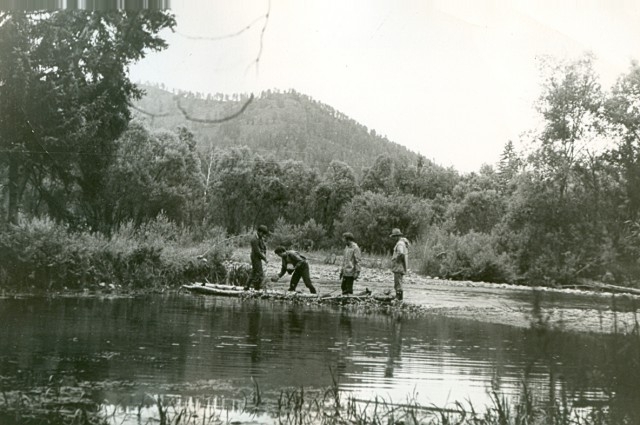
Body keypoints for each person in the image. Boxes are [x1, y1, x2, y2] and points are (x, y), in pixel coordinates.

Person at [245, 225, 269, 290]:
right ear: (259, 232)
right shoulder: (254, 239)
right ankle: (256, 288)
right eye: (262, 233)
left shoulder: (259, 238)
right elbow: (257, 251)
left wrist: (264, 253)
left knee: (254, 271)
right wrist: (265, 258)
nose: (263, 235)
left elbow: (263, 247)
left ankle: (247, 286)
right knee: (259, 272)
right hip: (255, 257)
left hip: (258, 257)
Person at [389, 228, 409, 301]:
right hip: (401, 267)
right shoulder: (403, 243)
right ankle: (399, 298)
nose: (393, 238)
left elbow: (401, 253)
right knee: (399, 283)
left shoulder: (400, 243)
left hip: (398, 267)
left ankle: (399, 298)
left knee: (397, 283)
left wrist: (396, 260)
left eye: (394, 237)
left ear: (397, 236)